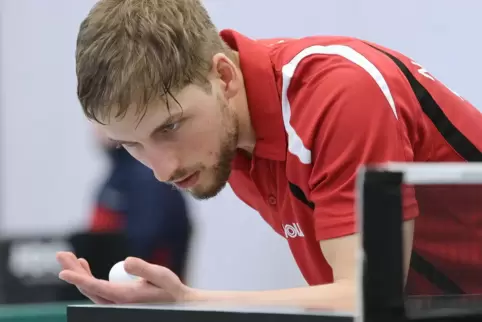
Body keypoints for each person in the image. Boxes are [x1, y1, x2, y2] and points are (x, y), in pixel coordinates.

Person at [56, 0, 482, 309]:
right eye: (131, 144)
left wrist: (188, 301)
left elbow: (366, 297)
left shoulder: (340, 94)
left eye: (170, 127)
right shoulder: (224, 138)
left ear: (223, 77)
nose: (163, 169)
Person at [90, 128, 192, 281]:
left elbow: (148, 238)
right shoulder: (120, 173)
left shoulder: (145, 177)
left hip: (145, 291)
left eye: (99, 120)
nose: (94, 128)